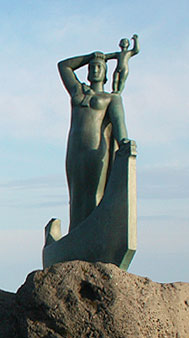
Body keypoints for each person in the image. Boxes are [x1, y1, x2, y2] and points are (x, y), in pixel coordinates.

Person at [58, 48, 133, 230]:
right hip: (76, 151)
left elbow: (119, 124)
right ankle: (75, 235)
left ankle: (94, 230)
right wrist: (98, 56)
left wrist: (125, 143)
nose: (95, 69)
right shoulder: (78, 91)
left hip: (96, 150)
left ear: (106, 73)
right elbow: (63, 66)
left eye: (99, 67)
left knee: (95, 195)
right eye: (92, 67)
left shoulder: (111, 98)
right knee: (76, 197)